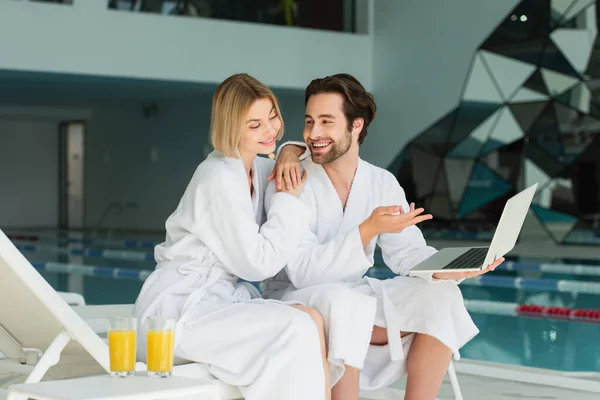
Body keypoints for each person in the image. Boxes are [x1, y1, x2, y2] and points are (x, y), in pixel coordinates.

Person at [264, 73, 504, 400]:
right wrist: (367, 230)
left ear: (356, 125)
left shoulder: (381, 182)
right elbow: (303, 273)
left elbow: (407, 253)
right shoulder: (293, 177)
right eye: (309, 122)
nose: (313, 134)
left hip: (351, 295)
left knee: (442, 295)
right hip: (296, 296)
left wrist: (448, 267)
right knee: (344, 301)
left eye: (326, 122)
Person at [133, 73, 331, 400]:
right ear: (231, 128)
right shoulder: (219, 178)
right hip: (176, 312)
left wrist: (289, 151)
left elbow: (297, 157)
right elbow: (258, 265)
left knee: (309, 318)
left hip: (216, 299)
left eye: (272, 117)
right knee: (295, 327)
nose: (269, 130)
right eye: (255, 125)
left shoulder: (255, 167)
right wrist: (287, 200)